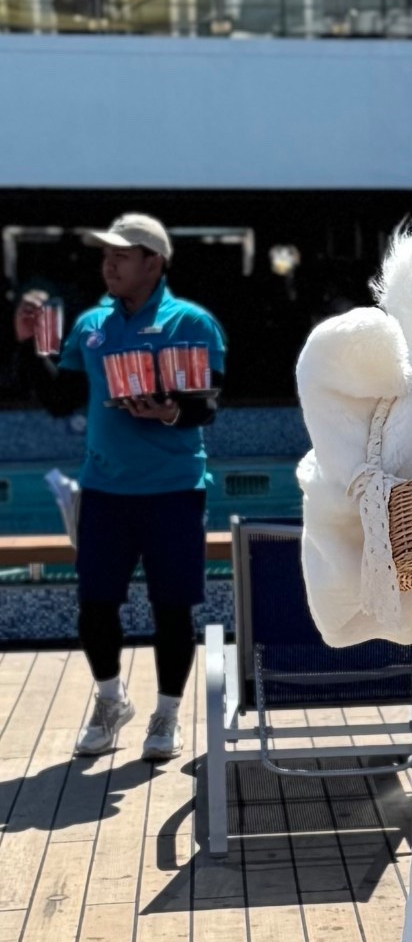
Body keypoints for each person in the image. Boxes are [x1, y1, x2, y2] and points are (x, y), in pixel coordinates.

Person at [14, 213, 226, 762]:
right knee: (95, 605)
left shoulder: (191, 322)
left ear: (153, 263)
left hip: (174, 489)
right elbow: (61, 400)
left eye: (122, 255)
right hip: (104, 488)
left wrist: (169, 409)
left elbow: (208, 405)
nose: (109, 264)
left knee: (172, 608)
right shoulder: (91, 325)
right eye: (105, 254)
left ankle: (167, 714)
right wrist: (30, 346)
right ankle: (111, 701)